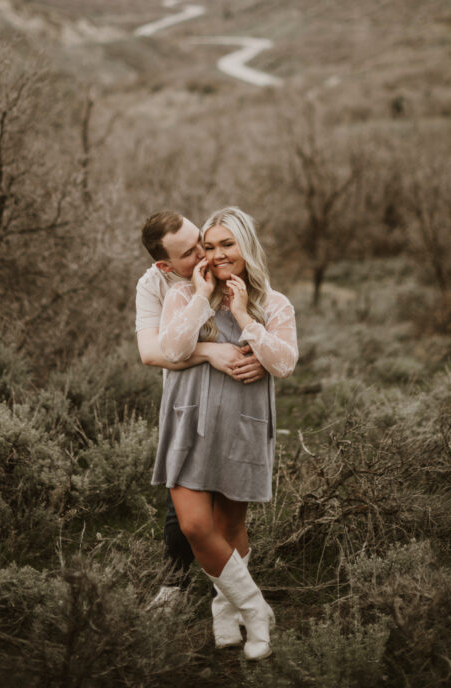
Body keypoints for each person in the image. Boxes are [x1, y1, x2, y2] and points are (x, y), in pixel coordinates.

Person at [152, 206, 298, 660]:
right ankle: (255, 609)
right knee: (196, 525)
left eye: (226, 244)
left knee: (231, 525)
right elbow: (171, 349)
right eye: (209, 247)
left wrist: (245, 318)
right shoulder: (182, 294)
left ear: (245, 246)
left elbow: (285, 363)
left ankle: (225, 613)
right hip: (188, 420)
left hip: (242, 424)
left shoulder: (275, 303)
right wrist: (201, 297)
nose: (216, 255)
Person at [136, 211, 266, 608]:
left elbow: (265, 316)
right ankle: (174, 584)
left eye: (201, 241)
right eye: (191, 252)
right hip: (185, 397)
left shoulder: (222, 255)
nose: (204, 254)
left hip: (238, 394)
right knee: (186, 503)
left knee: (226, 505)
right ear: (165, 264)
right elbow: (150, 352)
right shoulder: (154, 284)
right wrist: (209, 352)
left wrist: (263, 356)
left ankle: (227, 599)